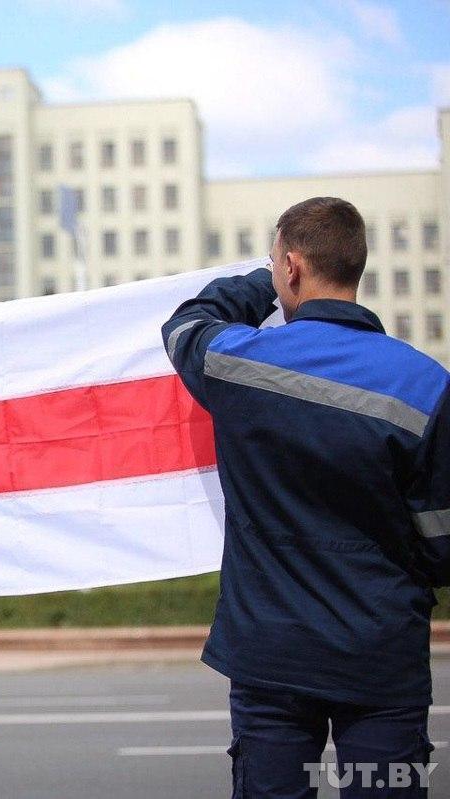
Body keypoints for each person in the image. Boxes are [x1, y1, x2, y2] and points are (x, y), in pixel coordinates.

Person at [163, 197, 450, 798]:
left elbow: (186, 324)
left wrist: (257, 282)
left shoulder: (241, 365)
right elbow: (442, 542)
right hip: (381, 656)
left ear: (290, 267)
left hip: (272, 656)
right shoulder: (426, 384)